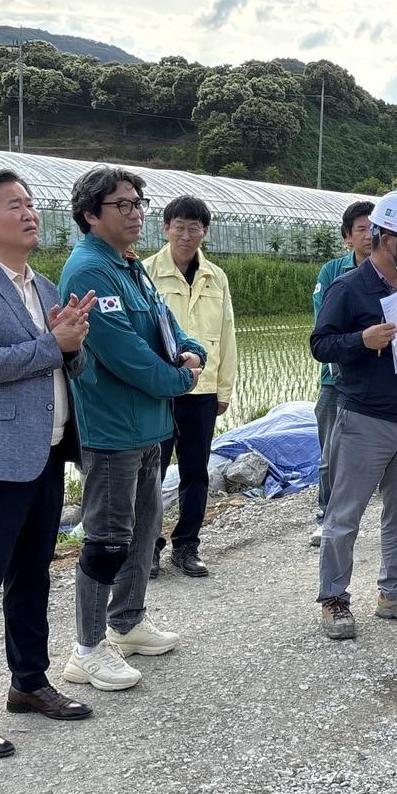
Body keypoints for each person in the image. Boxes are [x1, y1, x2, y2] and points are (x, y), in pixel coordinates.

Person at [0, 170, 97, 758]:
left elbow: (64, 367)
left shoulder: (47, 286)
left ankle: (29, 683)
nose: (30, 213)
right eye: (14, 205)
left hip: (46, 454)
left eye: (31, 204)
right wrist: (56, 345)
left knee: (31, 578)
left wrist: (73, 345)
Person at [58, 166, 206, 691]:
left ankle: (128, 621)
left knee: (144, 532)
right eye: (122, 204)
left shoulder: (131, 268)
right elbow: (127, 357)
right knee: (107, 540)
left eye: (139, 202)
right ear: (90, 213)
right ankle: (86, 649)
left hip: (150, 426)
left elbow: (171, 329)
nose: (136, 212)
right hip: (113, 430)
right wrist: (182, 378)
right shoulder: (88, 273)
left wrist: (195, 352)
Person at [310, 190, 397, 641]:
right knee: (344, 514)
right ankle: (334, 598)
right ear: (386, 238)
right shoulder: (348, 289)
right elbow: (320, 344)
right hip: (364, 418)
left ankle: (396, 592)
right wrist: (360, 341)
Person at [146, 195, 237, 579]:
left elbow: (227, 334)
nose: (186, 234)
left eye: (194, 227)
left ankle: (187, 546)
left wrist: (224, 390)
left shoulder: (216, 277)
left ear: (205, 231)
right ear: (166, 228)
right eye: (179, 226)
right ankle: (148, 547)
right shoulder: (146, 273)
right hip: (161, 391)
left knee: (196, 472)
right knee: (151, 473)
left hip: (202, 393)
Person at [309, 200, 375, 545]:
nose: (369, 235)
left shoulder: (394, 272)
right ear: (347, 237)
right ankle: (326, 515)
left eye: (374, 228)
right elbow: (325, 327)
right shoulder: (332, 272)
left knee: (374, 452)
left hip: (375, 379)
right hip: (335, 379)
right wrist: (362, 337)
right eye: (361, 229)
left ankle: (355, 513)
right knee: (329, 455)